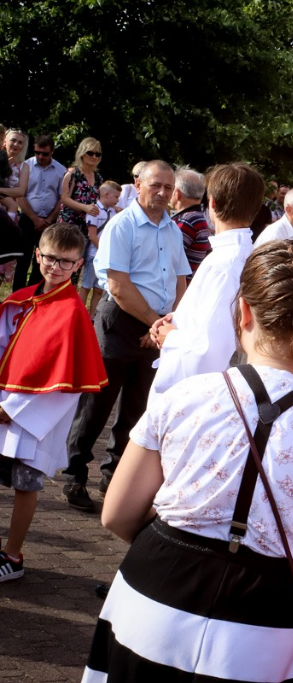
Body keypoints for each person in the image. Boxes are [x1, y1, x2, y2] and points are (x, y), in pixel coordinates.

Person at [83, 240, 293, 682]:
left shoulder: (182, 396)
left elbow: (117, 513)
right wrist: (287, 564)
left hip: (152, 597)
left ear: (243, 310)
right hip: (265, 624)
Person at [62, 160, 191, 513]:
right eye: (156, 185)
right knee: (97, 405)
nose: (163, 193)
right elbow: (117, 285)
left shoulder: (173, 230)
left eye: (168, 186)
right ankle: (74, 475)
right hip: (120, 322)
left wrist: (167, 322)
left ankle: (114, 474)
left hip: (156, 327)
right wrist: (155, 322)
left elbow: (180, 281)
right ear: (138, 183)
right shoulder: (121, 226)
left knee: (137, 408)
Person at [0, 223, 107, 583]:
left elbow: (68, 383)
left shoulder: (73, 314)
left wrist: (10, 410)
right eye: (50, 258)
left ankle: (12, 557)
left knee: (25, 484)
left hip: (33, 418)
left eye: (66, 262)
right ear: (37, 255)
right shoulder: (22, 300)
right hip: (2, 404)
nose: (56, 267)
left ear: (79, 265)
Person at [147, 162, 264, 403]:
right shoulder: (234, 254)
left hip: (190, 393)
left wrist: (171, 336)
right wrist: (174, 321)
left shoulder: (226, 263)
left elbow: (209, 349)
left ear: (211, 204)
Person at [13, 133, 65, 290]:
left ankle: (34, 294)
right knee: (23, 260)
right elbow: (20, 195)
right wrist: (35, 219)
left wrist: (49, 219)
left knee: (42, 261)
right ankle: (17, 295)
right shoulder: (25, 166)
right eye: (37, 152)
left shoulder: (60, 170)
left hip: (50, 222)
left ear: (52, 152)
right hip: (27, 219)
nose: (40, 156)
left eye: (45, 153)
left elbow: (62, 198)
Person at [80, 181, 120, 316]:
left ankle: (92, 316)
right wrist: (103, 251)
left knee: (98, 289)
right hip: (94, 254)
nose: (118, 200)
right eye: (116, 197)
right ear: (107, 195)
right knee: (86, 286)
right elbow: (92, 235)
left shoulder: (113, 211)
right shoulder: (94, 211)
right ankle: (79, 314)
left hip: (105, 256)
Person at [168, 165, 211, 280]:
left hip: (178, 290)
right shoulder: (196, 217)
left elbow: (168, 258)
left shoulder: (187, 220)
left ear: (176, 193)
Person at [58, 137, 104, 238]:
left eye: (97, 154)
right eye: (90, 153)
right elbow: (64, 199)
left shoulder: (98, 177)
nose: (94, 157)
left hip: (88, 224)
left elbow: (101, 200)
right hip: (70, 223)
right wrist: (85, 207)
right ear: (82, 154)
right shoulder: (73, 173)